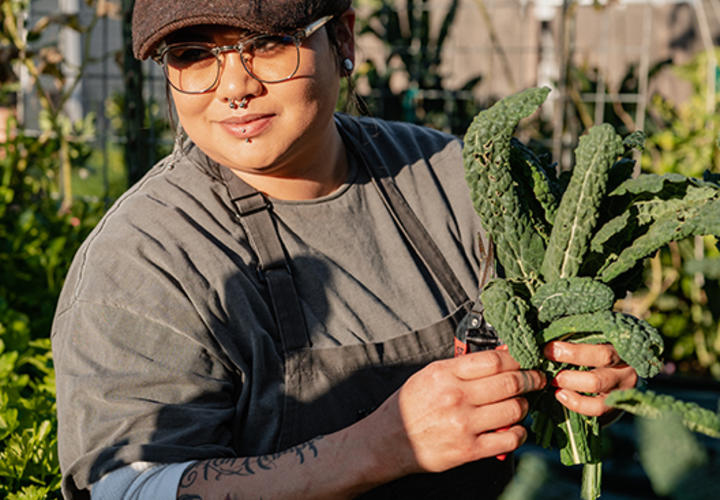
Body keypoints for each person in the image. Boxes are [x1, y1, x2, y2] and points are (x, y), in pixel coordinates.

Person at [51, 1, 638, 499]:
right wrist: (378, 447)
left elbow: (561, 346)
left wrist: (587, 379)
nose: (234, 87)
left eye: (269, 44)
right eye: (194, 55)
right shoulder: (146, 258)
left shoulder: (453, 178)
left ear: (343, 39)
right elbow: (126, 487)